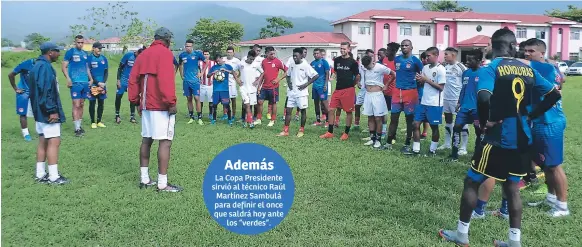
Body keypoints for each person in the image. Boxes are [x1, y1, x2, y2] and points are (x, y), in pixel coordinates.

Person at [439, 28, 562, 247]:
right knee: (512, 187)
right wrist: (531, 114)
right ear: (514, 45)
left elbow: (484, 97)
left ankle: (461, 234)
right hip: (523, 137)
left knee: (472, 180)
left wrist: (486, 122)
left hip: (498, 137)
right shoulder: (528, 69)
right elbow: (555, 93)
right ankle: (514, 242)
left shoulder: (492, 68)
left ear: (492, 45)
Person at [128, 27, 182, 192]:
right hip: (160, 105)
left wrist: (136, 101)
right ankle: (162, 183)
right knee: (165, 142)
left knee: (146, 140)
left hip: (145, 106)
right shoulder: (165, 53)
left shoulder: (143, 54)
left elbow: (133, 80)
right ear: (167, 39)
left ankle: (145, 180)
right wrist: (171, 102)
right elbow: (165, 80)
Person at [521, 38, 569, 217]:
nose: (527, 54)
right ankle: (551, 198)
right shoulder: (552, 68)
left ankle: (562, 207)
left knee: (554, 165)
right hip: (542, 120)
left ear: (542, 53)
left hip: (550, 122)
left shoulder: (543, 67)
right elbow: (561, 81)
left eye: (531, 51)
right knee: (546, 163)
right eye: (525, 50)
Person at [29, 42, 68, 184]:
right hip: (47, 111)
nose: (59, 54)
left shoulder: (36, 65)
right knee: (54, 141)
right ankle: (53, 176)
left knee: (43, 141)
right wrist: (52, 111)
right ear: (50, 52)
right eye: (57, 51)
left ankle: (40, 173)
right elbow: (46, 91)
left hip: (38, 111)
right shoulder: (45, 67)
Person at [402, 47, 446, 155]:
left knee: (434, 127)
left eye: (428, 56)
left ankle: (432, 150)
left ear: (436, 55)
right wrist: (420, 80)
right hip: (423, 102)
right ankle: (416, 150)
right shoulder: (425, 68)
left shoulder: (441, 69)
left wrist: (426, 80)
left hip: (435, 103)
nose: (426, 58)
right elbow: (423, 83)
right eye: (425, 56)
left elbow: (441, 87)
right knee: (415, 124)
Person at [443, 49, 484, 162]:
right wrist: (459, 102)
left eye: (470, 60)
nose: (467, 62)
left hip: (477, 109)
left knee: (478, 131)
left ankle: (477, 156)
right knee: (456, 128)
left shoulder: (484, 73)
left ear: (479, 60)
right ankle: (454, 155)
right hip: (464, 108)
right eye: (467, 60)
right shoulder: (466, 73)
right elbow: (463, 89)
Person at [387, 40, 424, 150]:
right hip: (397, 92)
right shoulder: (397, 59)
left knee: (409, 119)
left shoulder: (416, 61)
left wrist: (420, 91)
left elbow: (422, 76)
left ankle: (407, 143)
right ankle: (388, 143)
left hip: (411, 92)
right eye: (402, 45)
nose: (404, 47)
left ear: (411, 47)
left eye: (406, 45)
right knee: (393, 118)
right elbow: (390, 60)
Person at [320, 42, 360, 140]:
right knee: (331, 110)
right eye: (341, 48)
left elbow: (357, 76)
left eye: (344, 49)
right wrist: (332, 78)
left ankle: (346, 133)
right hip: (338, 89)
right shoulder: (337, 60)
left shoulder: (353, 62)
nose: (342, 50)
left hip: (348, 90)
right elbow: (336, 73)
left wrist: (352, 85)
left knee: (348, 112)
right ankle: (330, 132)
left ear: (349, 49)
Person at [277, 48, 319, 137]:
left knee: (303, 111)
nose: (294, 57)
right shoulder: (292, 64)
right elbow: (287, 75)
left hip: (301, 93)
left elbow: (316, 75)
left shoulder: (305, 65)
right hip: (291, 92)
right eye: (293, 56)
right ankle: (286, 130)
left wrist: (306, 84)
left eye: (296, 56)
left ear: (301, 56)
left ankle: (301, 130)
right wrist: (289, 84)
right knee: (288, 111)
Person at [360, 55, 395, 148]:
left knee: (378, 118)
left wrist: (387, 85)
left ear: (372, 62)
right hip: (368, 95)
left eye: (368, 66)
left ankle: (378, 140)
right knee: (370, 117)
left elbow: (393, 74)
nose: (367, 68)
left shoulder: (380, 67)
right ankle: (372, 139)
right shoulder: (364, 67)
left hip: (377, 95)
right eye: (365, 66)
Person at [62, 35, 93, 137]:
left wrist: (91, 79)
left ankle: (79, 126)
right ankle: (76, 129)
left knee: (82, 104)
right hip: (75, 83)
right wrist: (68, 79)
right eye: (78, 42)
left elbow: (87, 67)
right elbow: (64, 67)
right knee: (76, 105)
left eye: (81, 42)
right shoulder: (70, 52)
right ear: (75, 42)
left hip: (84, 82)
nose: (80, 44)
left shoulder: (85, 54)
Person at [440, 47, 468, 152]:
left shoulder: (462, 67)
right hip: (446, 98)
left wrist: (462, 100)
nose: (445, 56)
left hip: (457, 100)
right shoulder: (444, 67)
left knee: (462, 122)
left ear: (453, 55)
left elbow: (466, 84)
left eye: (446, 54)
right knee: (448, 120)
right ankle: (447, 143)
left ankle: (463, 147)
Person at [258, 46, 287, 127]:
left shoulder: (278, 62)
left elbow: (287, 71)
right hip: (264, 86)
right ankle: (259, 119)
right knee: (260, 102)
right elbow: (263, 74)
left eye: (274, 53)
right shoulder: (263, 62)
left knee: (273, 103)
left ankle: (273, 120)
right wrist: (259, 86)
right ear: (266, 53)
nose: (273, 55)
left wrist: (278, 79)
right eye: (271, 54)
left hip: (273, 87)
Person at [178, 40, 205, 125]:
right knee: (189, 99)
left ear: (192, 46)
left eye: (189, 46)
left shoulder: (197, 54)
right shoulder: (182, 55)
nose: (188, 48)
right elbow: (180, 64)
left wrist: (202, 72)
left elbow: (206, 62)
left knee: (197, 98)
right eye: (186, 46)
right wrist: (182, 75)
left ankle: (200, 118)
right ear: (184, 46)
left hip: (195, 81)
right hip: (186, 81)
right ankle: (191, 117)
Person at [208, 54, 240, 126]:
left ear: (222, 59)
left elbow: (233, 72)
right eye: (216, 61)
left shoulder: (227, 66)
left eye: (219, 60)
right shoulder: (214, 67)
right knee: (214, 105)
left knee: (226, 105)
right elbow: (208, 75)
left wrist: (225, 70)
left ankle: (229, 120)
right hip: (216, 90)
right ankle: (213, 119)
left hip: (224, 90)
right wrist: (212, 73)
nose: (218, 62)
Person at [8, 58, 36, 141]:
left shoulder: (44, 65)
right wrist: (16, 88)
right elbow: (11, 74)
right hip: (23, 91)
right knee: (23, 113)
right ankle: (26, 134)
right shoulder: (26, 64)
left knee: (39, 111)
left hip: (36, 92)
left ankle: (40, 131)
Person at [115, 48, 144, 124]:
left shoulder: (141, 59)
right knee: (118, 96)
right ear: (137, 52)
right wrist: (118, 80)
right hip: (123, 80)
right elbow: (120, 68)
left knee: (133, 98)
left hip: (133, 81)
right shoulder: (128, 55)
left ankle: (132, 116)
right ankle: (117, 115)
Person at [239, 50, 264, 128]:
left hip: (253, 88)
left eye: (253, 59)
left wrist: (257, 80)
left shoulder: (256, 64)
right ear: (247, 56)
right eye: (250, 59)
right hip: (243, 88)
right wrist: (237, 79)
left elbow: (263, 73)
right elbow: (232, 71)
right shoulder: (241, 64)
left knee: (250, 105)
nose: (251, 61)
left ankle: (247, 120)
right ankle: (250, 122)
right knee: (247, 104)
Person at [87, 42, 108, 129]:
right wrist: (97, 82)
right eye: (98, 48)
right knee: (92, 103)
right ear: (93, 48)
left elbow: (106, 72)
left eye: (101, 48)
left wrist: (103, 83)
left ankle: (99, 121)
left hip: (102, 84)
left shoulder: (104, 59)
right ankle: (93, 122)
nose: (100, 50)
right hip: (93, 84)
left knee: (101, 103)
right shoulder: (89, 58)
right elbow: (89, 72)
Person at [283, 47, 307, 121]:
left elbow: (313, 75)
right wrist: (289, 83)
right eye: (304, 52)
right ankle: (285, 116)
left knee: (301, 106)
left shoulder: (305, 63)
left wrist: (305, 84)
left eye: (306, 52)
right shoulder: (291, 62)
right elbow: (287, 72)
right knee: (288, 102)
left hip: (301, 90)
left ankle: (297, 114)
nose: (305, 54)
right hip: (291, 89)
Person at [354, 49, 375, 130]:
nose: (371, 58)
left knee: (370, 108)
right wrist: (358, 82)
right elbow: (358, 74)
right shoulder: (361, 65)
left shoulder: (375, 66)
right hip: (363, 89)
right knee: (357, 105)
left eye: (372, 56)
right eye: (370, 56)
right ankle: (356, 124)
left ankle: (370, 126)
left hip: (371, 90)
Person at [310, 48, 331, 127]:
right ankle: (318, 120)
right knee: (316, 103)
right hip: (314, 87)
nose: (316, 55)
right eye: (314, 53)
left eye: (317, 53)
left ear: (320, 54)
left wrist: (325, 85)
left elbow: (327, 74)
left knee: (324, 102)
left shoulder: (324, 62)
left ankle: (328, 120)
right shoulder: (312, 63)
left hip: (322, 88)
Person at [224, 46, 242, 122]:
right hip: (224, 82)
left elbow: (241, 70)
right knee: (225, 99)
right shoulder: (223, 59)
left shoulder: (237, 61)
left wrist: (237, 77)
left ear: (233, 53)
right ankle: (225, 114)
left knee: (233, 99)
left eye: (231, 52)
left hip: (232, 83)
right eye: (228, 52)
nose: (229, 54)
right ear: (226, 52)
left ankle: (233, 115)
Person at [199, 50, 216, 119]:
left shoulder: (213, 63)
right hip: (202, 85)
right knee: (200, 101)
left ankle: (210, 114)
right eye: (204, 54)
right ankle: (200, 114)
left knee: (211, 101)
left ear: (209, 55)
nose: (206, 55)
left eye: (207, 54)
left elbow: (216, 72)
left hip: (210, 85)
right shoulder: (199, 63)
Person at [418, 51, 430, 140]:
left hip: (426, 94)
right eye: (426, 58)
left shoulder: (430, 68)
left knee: (425, 114)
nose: (428, 59)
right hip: (419, 93)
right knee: (418, 113)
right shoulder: (420, 67)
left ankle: (424, 132)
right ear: (422, 59)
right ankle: (416, 131)